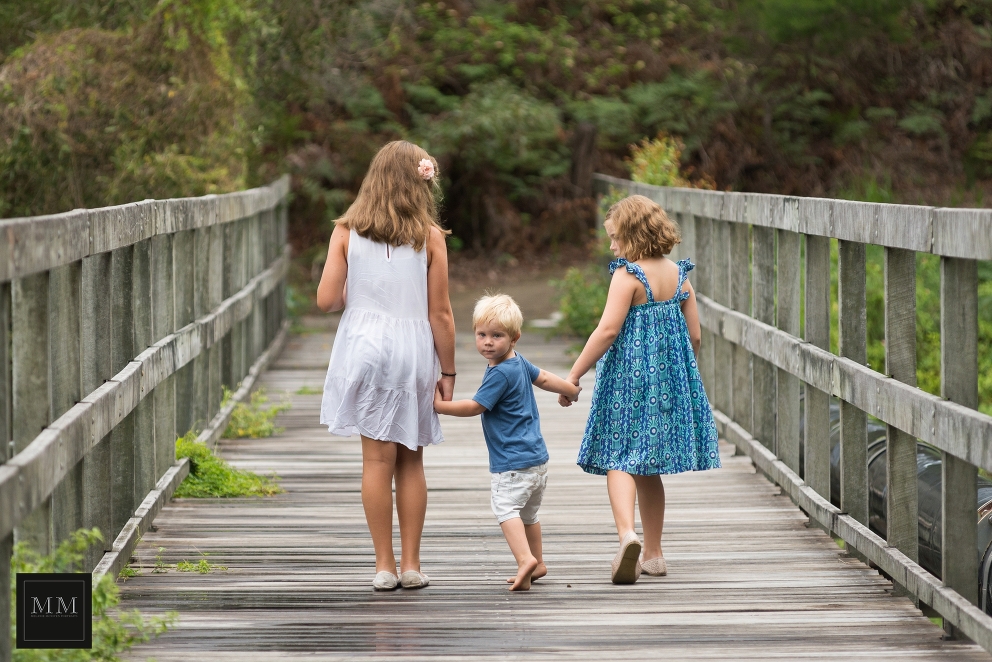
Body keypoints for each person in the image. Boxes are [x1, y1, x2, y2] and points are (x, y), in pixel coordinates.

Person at [317, 140, 456, 592]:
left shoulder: (346, 231)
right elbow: (441, 314)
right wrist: (448, 371)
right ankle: (413, 565)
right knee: (411, 459)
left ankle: (383, 565)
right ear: (421, 182)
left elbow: (325, 301)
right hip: (413, 349)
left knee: (376, 461)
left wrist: (354, 288)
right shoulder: (430, 237)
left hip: (364, 348)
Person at [560, 194, 721, 584]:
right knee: (648, 468)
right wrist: (682, 375)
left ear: (633, 235)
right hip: (667, 381)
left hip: (628, 380)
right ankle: (654, 554)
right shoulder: (679, 275)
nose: (612, 247)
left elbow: (608, 330)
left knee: (619, 457)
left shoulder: (627, 275)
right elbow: (695, 336)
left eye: (615, 238)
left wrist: (575, 373)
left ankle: (626, 536)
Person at [433, 294, 580, 591]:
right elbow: (547, 378)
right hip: (537, 461)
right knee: (529, 514)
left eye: (497, 335)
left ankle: (524, 559)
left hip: (511, 464)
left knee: (505, 509)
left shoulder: (499, 373)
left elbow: (476, 406)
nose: (488, 342)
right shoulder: (519, 362)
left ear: (514, 338)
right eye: (482, 334)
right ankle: (537, 563)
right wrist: (571, 390)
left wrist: (438, 407)